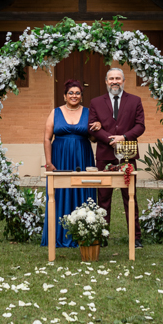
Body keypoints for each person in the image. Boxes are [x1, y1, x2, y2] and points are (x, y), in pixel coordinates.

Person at [88, 68, 145, 241]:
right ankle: (103, 236)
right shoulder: (96, 102)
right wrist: (109, 139)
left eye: (118, 78)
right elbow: (91, 126)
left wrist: (123, 137)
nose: (115, 81)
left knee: (130, 198)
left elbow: (140, 126)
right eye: (111, 78)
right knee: (103, 197)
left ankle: (135, 238)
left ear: (123, 81)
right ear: (106, 81)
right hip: (105, 155)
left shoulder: (135, 101)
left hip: (127, 155)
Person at [43, 79, 100, 249]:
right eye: (71, 93)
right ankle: (58, 235)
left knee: (84, 191)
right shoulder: (55, 112)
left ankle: (84, 235)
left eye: (77, 93)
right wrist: (48, 162)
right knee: (60, 193)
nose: (74, 96)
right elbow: (47, 138)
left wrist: (98, 127)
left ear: (81, 96)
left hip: (83, 157)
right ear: (64, 96)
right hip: (60, 158)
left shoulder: (89, 113)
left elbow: (93, 139)